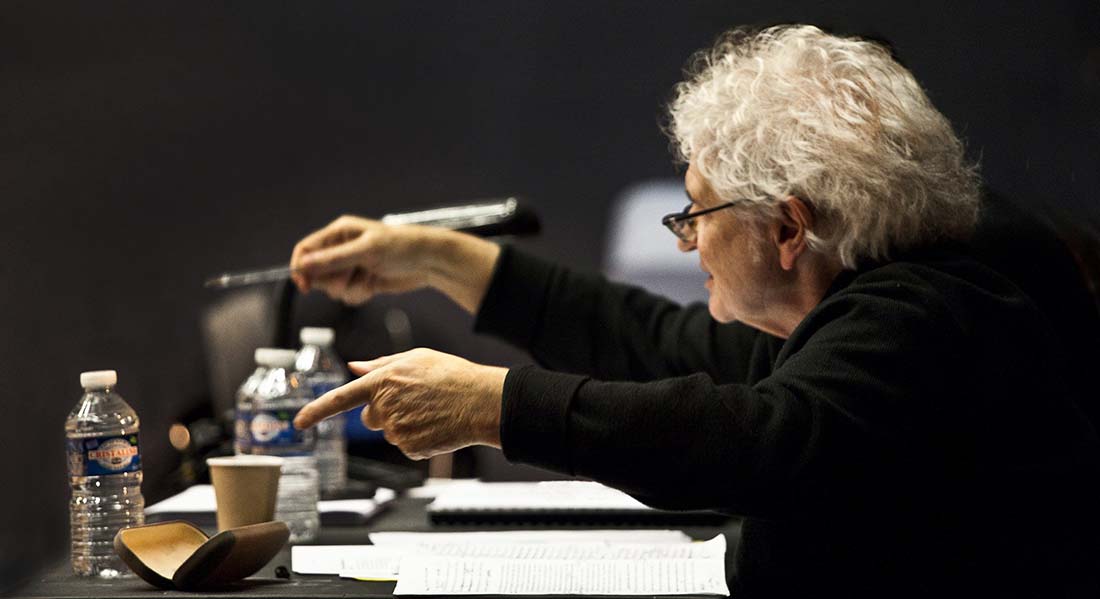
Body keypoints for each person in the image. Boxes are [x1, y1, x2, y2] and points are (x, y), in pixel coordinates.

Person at [289, 25, 1100, 597]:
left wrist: (494, 405)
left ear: (787, 227)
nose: (685, 241)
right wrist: (439, 255)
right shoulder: (883, 296)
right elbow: (663, 344)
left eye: (697, 211)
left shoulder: (930, 314)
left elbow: (758, 438)